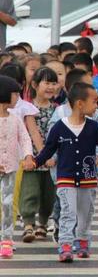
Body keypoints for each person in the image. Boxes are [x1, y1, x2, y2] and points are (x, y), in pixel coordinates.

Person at [29, 82, 98, 263]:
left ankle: (83, 241)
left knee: (86, 213)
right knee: (68, 212)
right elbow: (48, 149)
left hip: (88, 179)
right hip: (66, 178)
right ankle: (66, 245)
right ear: (79, 104)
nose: (97, 106)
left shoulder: (94, 127)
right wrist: (35, 162)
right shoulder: (59, 127)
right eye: (94, 102)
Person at [20, 67, 58, 243]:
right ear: (34, 85)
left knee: (49, 194)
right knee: (30, 191)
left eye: (53, 83)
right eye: (47, 83)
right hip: (33, 157)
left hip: (53, 160)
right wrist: (44, 155)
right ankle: (28, 223)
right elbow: (33, 133)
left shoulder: (58, 109)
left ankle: (42, 223)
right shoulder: (28, 108)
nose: (51, 87)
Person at [0, 64, 39, 229]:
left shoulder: (15, 118)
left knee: (10, 202)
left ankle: (6, 238)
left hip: (12, 166)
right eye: (15, 94)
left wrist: (28, 155)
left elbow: (24, 138)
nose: (18, 97)